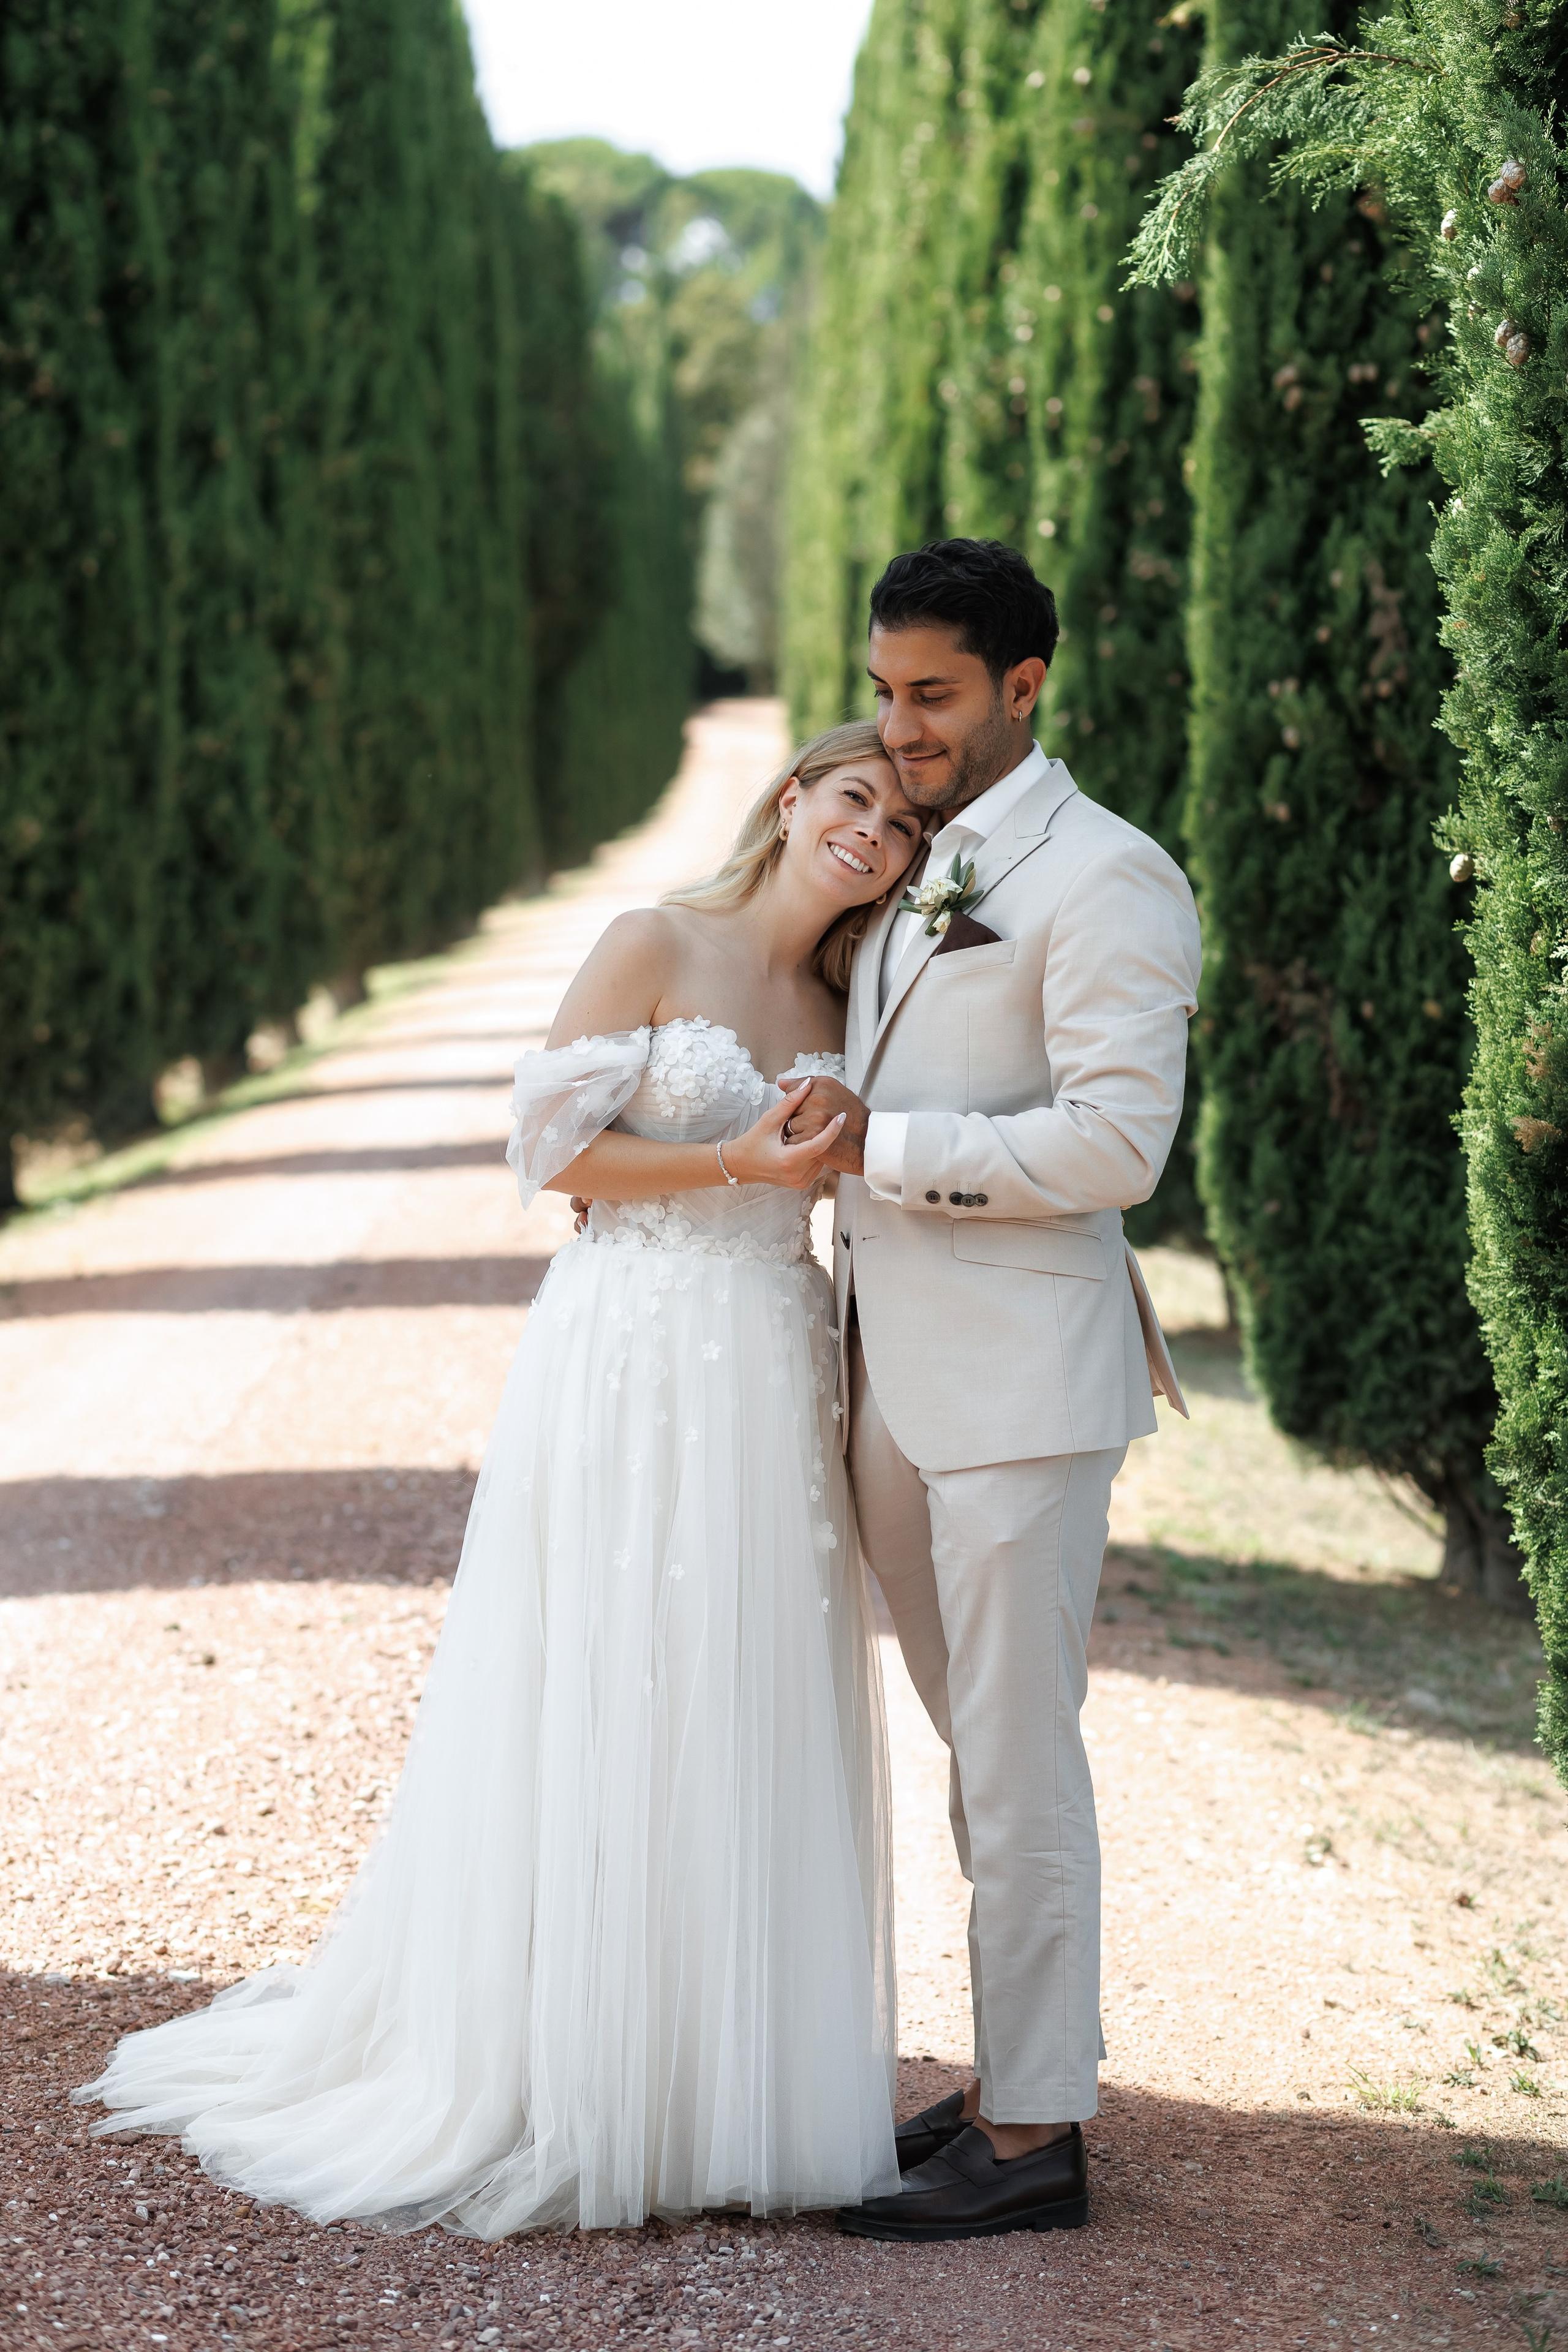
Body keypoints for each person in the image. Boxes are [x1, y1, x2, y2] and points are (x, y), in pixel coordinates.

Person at [75, 722, 925, 2236]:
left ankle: (708, 2075)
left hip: (770, 1353)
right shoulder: (650, 937)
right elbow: (553, 1152)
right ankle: (554, 2064)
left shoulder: (850, 996)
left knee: (737, 1687)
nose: (874, 832)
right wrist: (741, 1162)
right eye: (854, 797)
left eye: (903, 826)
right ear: (792, 798)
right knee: (599, 1678)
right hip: (634, 1341)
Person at [782, 540, 1202, 2242]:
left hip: (1022, 1386)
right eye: (886, 692)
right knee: (981, 1755)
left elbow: (1120, 1145)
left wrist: (892, 1151)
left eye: (933, 695)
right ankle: (1024, 2071)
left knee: (1022, 1762)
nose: (902, 726)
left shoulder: (1110, 879)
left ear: (1026, 685)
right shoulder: (926, 863)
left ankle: (1035, 2141)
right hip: (897, 1374)